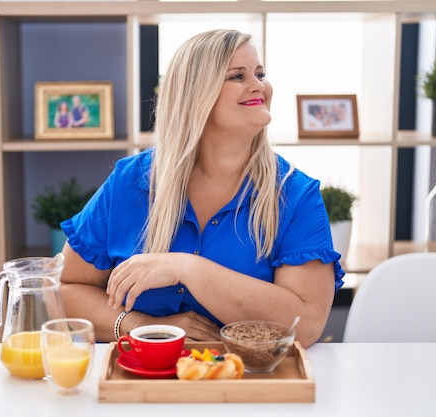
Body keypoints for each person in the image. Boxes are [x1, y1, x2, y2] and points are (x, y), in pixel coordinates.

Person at [59, 29, 345, 348]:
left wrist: (188, 268)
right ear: (196, 94)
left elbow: (304, 327)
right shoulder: (131, 180)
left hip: (252, 382)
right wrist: (140, 326)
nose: (259, 85)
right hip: (142, 379)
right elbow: (67, 287)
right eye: (238, 75)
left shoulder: (296, 194)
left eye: (260, 74)